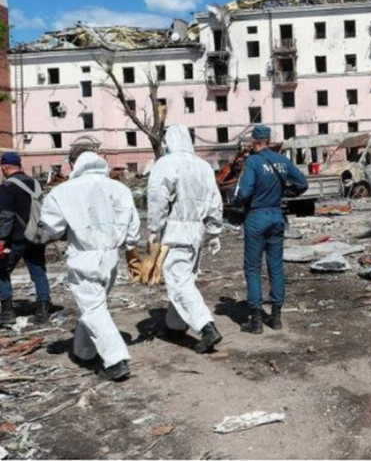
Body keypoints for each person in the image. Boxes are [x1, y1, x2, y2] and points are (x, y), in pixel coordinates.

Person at [40, 146, 140, 381]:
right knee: (96, 305)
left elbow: (52, 228)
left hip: (84, 254)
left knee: (93, 308)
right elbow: (132, 224)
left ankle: (116, 361)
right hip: (111, 255)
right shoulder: (120, 188)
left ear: (74, 164)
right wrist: (129, 245)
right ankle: (84, 351)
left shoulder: (62, 192)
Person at [147, 124, 223, 353]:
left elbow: (157, 198)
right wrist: (213, 231)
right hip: (196, 231)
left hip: (175, 229)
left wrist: (153, 229)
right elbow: (215, 201)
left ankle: (206, 327)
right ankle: (175, 325)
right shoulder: (204, 166)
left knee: (177, 281)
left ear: (169, 140)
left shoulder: (165, 164)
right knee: (184, 279)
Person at [235, 125, 308, 334]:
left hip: (257, 216)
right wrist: (286, 192)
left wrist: (239, 202)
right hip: (277, 216)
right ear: (268, 139)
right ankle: (276, 317)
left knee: (253, 268)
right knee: (275, 266)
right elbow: (302, 183)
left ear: (255, 140)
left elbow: (245, 191)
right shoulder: (283, 161)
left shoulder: (253, 162)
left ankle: (256, 320)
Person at [0, 152, 51, 324]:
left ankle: (7, 313)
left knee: (2, 271)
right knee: (38, 271)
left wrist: (1, 239)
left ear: (5, 167)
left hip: (16, 238)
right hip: (36, 235)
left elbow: (6, 216)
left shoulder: (7, 186)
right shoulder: (35, 183)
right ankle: (43, 310)